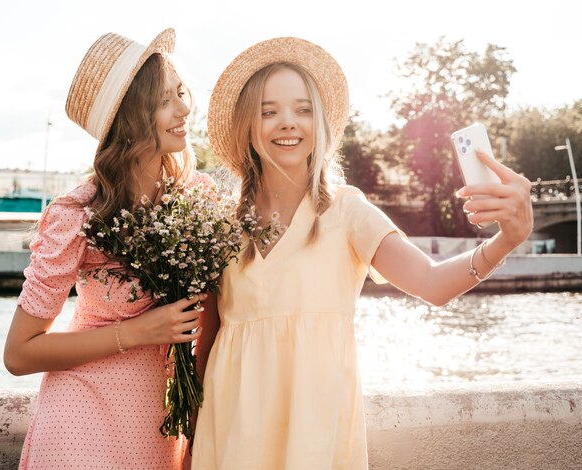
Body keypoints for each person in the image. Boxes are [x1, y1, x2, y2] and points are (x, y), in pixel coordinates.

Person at [191, 37, 533, 469]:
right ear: (246, 125)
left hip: (314, 440)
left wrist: (505, 240)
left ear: (320, 123)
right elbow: (207, 344)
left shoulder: (347, 210)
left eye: (303, 109)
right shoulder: (221, 225)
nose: (288, 123)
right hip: (229, 436)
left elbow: (432, 284)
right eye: (268, 111)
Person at [3, 29, 217, 469]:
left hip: (161, 426)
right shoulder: (78, 214)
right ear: (130, 118)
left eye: (181, 92)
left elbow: (211, 328)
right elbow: (19, 353)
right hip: (80, 418)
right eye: (164, 101)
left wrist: (198, 426)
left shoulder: (202, 199)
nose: (184, 109)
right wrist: (138, 332)